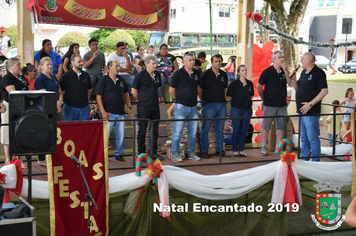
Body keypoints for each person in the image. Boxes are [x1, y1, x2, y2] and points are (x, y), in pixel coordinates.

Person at [290, 52, 328, 162]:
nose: (300, 61)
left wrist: (310, 104)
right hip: (300, 111)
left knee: (312, 138)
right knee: (303, 138)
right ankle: (305, 160)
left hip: (311, 112)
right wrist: (293, 80)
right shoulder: (303, 73)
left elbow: (324, 91)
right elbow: (298, 88)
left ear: (308, 60)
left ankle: (316, 162)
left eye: (302, 59)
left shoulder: (319, 73)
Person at [257, 50, 291, 155]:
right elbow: (259, 85)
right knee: (266, 126)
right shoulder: (267, 72)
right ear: (274, 59)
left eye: (282, 57)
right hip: (269, 105)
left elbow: (290, 83)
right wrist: (264, 97)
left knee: (281, 127)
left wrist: (286, 71)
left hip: (282, 105)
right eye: (279, 57)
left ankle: (278, 148)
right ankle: (264, 146)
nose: (282, 59)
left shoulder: (285, 72)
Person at [97, 60, 131, 162]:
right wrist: (102, 112)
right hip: (109, 113)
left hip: (121, 112)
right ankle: (102, 155)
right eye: (116, 66)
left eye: (118, 66)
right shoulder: (103, 79)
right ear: (110, 67)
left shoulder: (121, 79)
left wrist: (129, 106)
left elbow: (126, 94)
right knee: (105, 136)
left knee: (121, 135)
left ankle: (119, 154)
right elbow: (99, 97)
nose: (118, 68)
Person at [169, 52, 201, 162]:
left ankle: (191, 152)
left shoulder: (197, 73)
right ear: (184, 61)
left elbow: (197, 88)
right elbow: (171, 90)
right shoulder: (178, 73)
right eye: (190, 60)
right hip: (181, 107)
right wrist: (178, 101)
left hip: (193, 107)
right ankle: (175, 153)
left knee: (192, 133)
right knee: (178, 132)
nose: (192, 62)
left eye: (193, 60)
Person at [198, 54, 230, 158]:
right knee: (205, 128)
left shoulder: (224, 75)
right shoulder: (205, 74)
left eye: (219, 61)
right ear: (211, 62)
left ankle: (220, 150)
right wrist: (205, 101)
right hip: (208, 105)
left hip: (221, 104)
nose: (218, 63)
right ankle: (205, 151)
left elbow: (224, 89)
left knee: (220, 129)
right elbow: (200, 90)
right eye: (216, 61)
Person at [34, 57, 64, 166]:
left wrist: (60, 102)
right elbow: (44, 95)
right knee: (44, 132)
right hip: (45, 109)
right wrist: (56, 103)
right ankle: (41, 158)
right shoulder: (40, 79)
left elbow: (60, 91)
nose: (50, 67)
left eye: (51, 64)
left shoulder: (54, 77)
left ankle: (53, 155)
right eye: (47, 65)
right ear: (41, 66)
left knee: (55, 132)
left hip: (56, 107)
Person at [132, 55, 162, 160]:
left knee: (154, 131)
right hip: (144, 108)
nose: (155, 65)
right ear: (146, 64)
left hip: (155, 107)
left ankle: (153, 153)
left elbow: (157, 87)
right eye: (153, 63)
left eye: (156, 63)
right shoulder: (140, 76)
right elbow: (134, 91)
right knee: (142, 131)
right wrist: (142, 99)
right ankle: (141, 153)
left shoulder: (157, 74)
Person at [1, 58, 28, 166]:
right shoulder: (7, 78)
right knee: (7, 132)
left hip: (23, 106)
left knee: (20, 131)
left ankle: (19, 158)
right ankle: (8, 158)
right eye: (18, 64)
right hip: (10, 106)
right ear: (11, 66)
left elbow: (28, 88)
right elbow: (13, 92)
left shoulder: (22, 77)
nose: (20, 66)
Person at [226, 64, 254, 157]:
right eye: (242, 70)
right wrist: (237, 100)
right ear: (238, 72)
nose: (244, 72)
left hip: (247, 109)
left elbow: (251, 95)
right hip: (236, 109)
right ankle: (234, 150)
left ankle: (241, 150)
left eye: (245, 70)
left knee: (244, 130)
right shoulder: (234, 84)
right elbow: (228, 96)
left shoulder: (250, 83)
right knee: (236, 130)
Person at [60, 54, 92, 121]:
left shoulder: (86, 75)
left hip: (84, 108)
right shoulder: (65, 76)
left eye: (82, 61)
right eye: (79, 62)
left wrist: (86, 100)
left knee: (84, 129)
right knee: (71, 129)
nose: (81, 63)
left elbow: (89, 90)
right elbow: (60, 91)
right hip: (70, 108)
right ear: (72, 62)